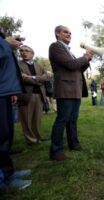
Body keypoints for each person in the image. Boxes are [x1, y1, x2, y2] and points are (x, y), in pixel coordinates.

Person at [49, 25, 93, 161]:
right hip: (65, 89)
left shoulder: (69, 51)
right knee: (62, 120)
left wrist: (87, 60)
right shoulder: (55, 46)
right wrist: (85, 57)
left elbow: (77, 68)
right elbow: (71, 65)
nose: (69, 34)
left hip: (74, 90)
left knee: (72, 119)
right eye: (65, 32)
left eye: (70, 33)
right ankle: (56, 151)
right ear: (57, 34)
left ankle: (73, 144)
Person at [0, 29, 32, 189]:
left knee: (6, 134)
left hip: (4, 91)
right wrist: (6, 44)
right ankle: (3, 179)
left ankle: (7, 172)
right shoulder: (4, 44)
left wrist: (10, 90)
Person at [18, 45, 50, 145]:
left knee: (37, 118)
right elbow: (23, 78)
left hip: (39, 94)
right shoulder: (17, 64)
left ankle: (37, 136)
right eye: (21, 51)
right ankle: (30, 140)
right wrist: (38, 79)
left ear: (32, 53)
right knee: (26, 118)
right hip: (26, 95)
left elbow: (47, 76)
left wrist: (32, 77)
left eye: (26, 50)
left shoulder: (38, 65)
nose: (23, 52)